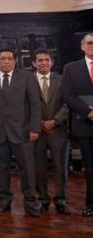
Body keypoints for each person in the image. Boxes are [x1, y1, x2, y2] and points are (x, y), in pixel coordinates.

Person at [0, 48, 42, 217]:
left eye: (9, 58)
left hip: (23, 131)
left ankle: (31, 202)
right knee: (1, 170)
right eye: (2, 59)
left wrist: (34, 128)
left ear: (15, 61)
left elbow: (35, 105)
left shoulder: (27, 77)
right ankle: (3, 201)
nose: (6, 61)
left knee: (27, 169)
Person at [31, 50, 70, 214]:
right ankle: (42, 199)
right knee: (39, 168)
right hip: (36, 131)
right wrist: (39, 123)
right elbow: (25, 105)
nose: (44, 63)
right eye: (40, 60)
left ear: (51, 62)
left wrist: (54, 121)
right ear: (34, 63)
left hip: (58, 130)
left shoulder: (62, 80)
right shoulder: (28, 81)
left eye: (47, 60)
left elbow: (68, 103)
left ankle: (61, 200)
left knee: (60, 167)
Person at [60, 33, 93, 216]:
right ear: (82, 46)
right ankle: (91, 204)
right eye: (89, 43)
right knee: (90, 168)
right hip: (84, 124)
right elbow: (68, 95)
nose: (92, 46)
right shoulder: (71, 68)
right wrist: (88, 112)